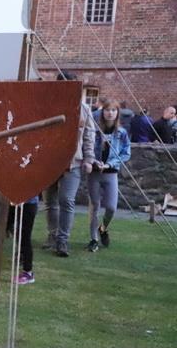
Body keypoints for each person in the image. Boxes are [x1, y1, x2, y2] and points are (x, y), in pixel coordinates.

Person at [41, 72, 95, 257]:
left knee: (66, 200)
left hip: (73, 162)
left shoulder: (84, 109)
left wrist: (89, 158)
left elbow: (89, 135)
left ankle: (62, 240)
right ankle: (52, 235)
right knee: (50, 201)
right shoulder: (48, 105)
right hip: (49, 161)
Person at [86, 99, 131, 252]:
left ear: (117, 113)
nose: (110, 113)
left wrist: (109, 164)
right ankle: (93, 239)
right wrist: (94, 161)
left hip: (111, 173)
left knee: (111, 207)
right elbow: (87, 147)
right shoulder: (94, 130)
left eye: (113, 110)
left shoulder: (121, 133)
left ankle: (103, 228)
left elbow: (126, 153)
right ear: (102, 112)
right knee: (94, 206)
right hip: (94, 173)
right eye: (107, 110)